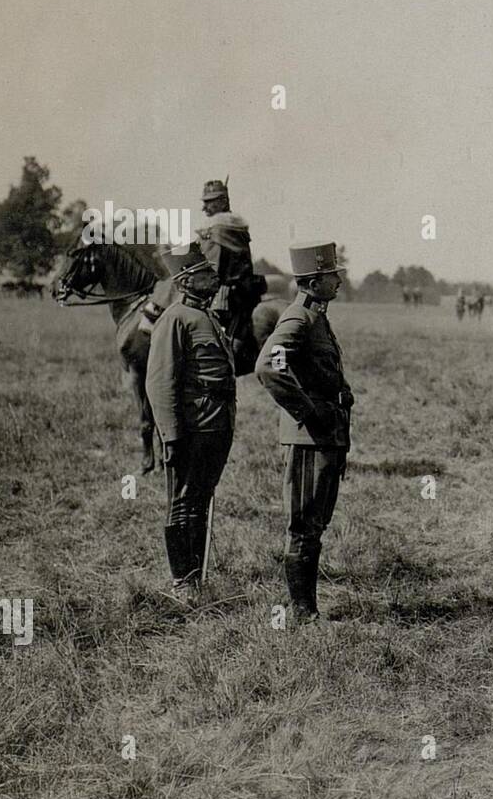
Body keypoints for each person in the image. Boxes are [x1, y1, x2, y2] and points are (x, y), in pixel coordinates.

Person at [254, 241, 355, 623]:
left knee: (315, 524)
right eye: (332, 276)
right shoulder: (298, 318)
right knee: (303, 525)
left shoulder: (316, 316)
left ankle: (306, 610)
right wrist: (306, 409)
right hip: (309, 438)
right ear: (313, 282)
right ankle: (303, 613)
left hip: (324, 436)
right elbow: (268, 366)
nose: (339, 281)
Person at [144, 242, 237, 605]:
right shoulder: (174, 319)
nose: (214, 277)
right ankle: (183, 582)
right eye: (205, 273)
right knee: (182, 502)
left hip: (215, 424)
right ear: (185, 281)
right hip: (191, 427)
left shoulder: (208, 316)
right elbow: (159, 381)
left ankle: (197, 578)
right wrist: (171, 434)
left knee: (200, 499)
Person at [197, 178, 268, 375]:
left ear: (222, 202)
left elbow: (212, 267)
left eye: (209, 202)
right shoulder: (233, 225)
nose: (204, 208)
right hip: (243, 290)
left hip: (228, 294)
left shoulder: (219, 228)